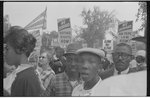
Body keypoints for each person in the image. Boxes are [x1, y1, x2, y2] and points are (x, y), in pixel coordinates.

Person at [4, 26, 42, 96]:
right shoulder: (19, 74)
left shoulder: (26, 78)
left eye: (7, 48)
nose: (4, 52)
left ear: (19, 49)